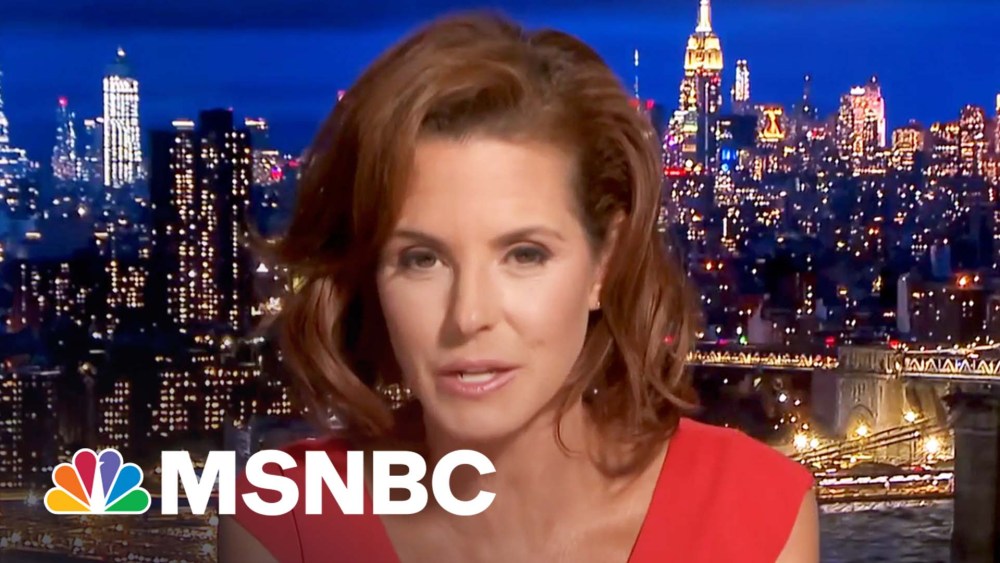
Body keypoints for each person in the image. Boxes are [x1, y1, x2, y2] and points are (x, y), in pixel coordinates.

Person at [220, 11, 818, 563]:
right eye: (422, 259)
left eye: (524, 255)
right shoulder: (285, 522)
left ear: (603, 265)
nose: (469, 316)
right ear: (372, 275)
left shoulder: (756, 514)